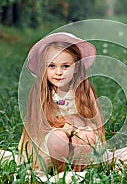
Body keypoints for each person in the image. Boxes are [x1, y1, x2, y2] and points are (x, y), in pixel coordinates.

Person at [18, 32, 106, 173]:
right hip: (51, 141)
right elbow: (38, 125)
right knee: (57, 138)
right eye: (52, 66)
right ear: (44, 68)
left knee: (87, 136)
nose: (58, 72)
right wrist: (63, 124)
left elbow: (97, 124)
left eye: (65, 66)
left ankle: (78, 170)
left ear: (76, 67)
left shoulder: (83, 90)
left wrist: (80, 129)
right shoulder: (41, 92)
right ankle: (60, 173)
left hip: (79, 135)